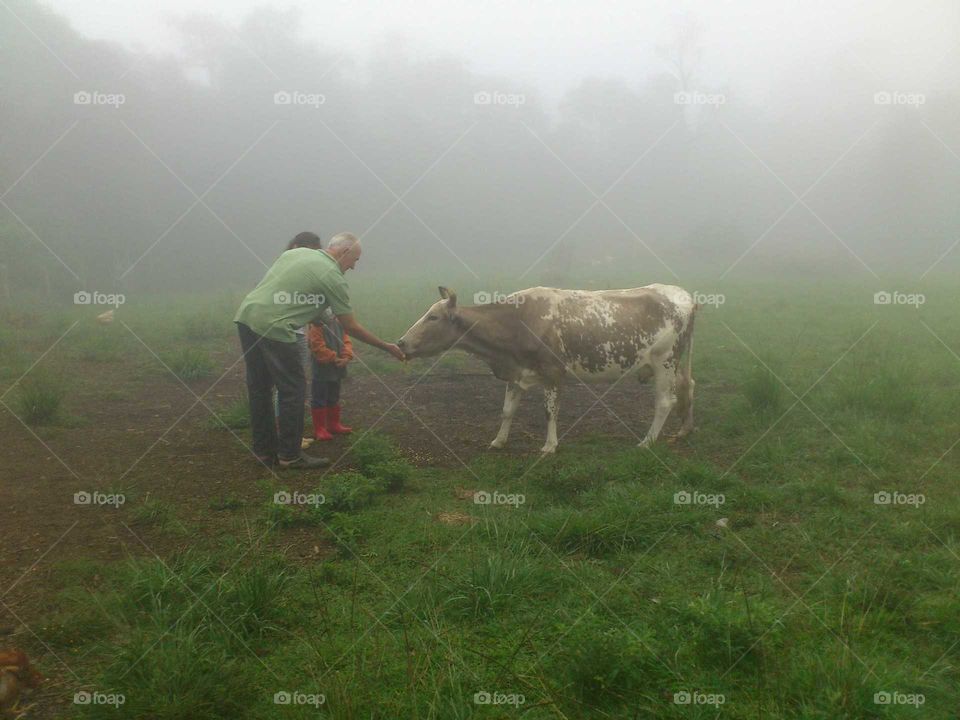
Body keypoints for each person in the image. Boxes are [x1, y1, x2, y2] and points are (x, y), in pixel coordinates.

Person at [234, 231, 405, 469]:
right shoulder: (333, 277)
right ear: (344, 252)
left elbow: (294, 292)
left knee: (260, 389)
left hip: (247, 318)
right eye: (355, 260)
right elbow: (350, 326)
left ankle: (263, 452)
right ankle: (290, 456)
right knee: (292, 390)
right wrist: (385, 347)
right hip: (275, 328)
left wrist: (318, 315)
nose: (354, 267)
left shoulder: (297, 253)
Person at [307, 307, 353, 441]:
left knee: (334, 395)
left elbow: (346, 340)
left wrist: (347, 356)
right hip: (322, 369)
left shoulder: (339, 322)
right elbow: (317, 347)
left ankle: (333, 424)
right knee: (319, 397)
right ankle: (320, 429)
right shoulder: (316, 326)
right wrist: (334, 357)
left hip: (337, 368)